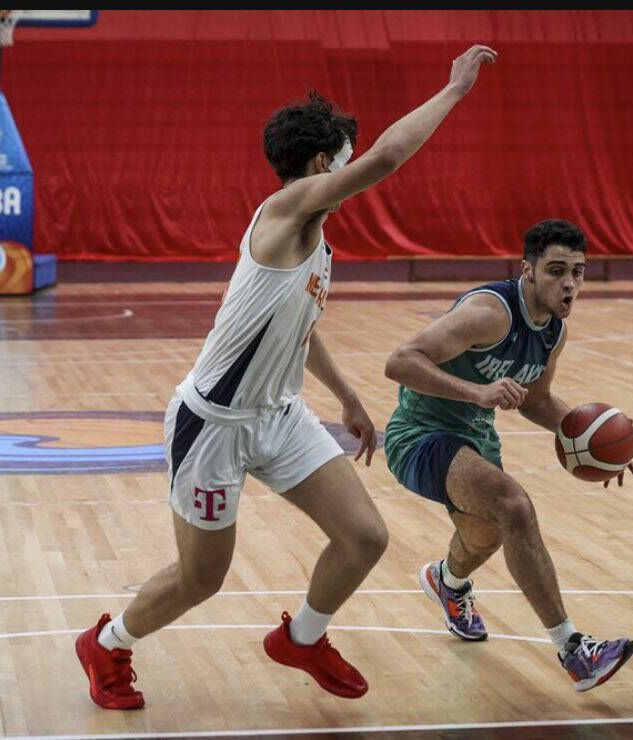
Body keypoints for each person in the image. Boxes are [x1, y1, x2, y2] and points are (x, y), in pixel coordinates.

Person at [75, 44, 500, 710]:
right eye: (348, 154)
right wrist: (453, 91)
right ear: (321, 165)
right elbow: (389, 158)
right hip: (212, 425)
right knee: (201, 578)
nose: (358, 162)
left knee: (364, 536)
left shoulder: (314, 234)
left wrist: (349, 396)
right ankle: (108, 644)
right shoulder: (286, 211)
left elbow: (297, 328)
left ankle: (302, 638)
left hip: (278, 414)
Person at [383, 219, 633, 692]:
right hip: (420, 434)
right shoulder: (490, 313)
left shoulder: (553, 332)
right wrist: (476, 391)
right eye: (557, 270)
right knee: (514, 505)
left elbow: (538, 401)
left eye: (578, 272)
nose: (569, 284)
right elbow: (400, 361)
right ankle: (573, 650)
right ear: (527, 270)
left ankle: (448, 583)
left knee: (484, 539)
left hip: (476, 439)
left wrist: (593, 439)